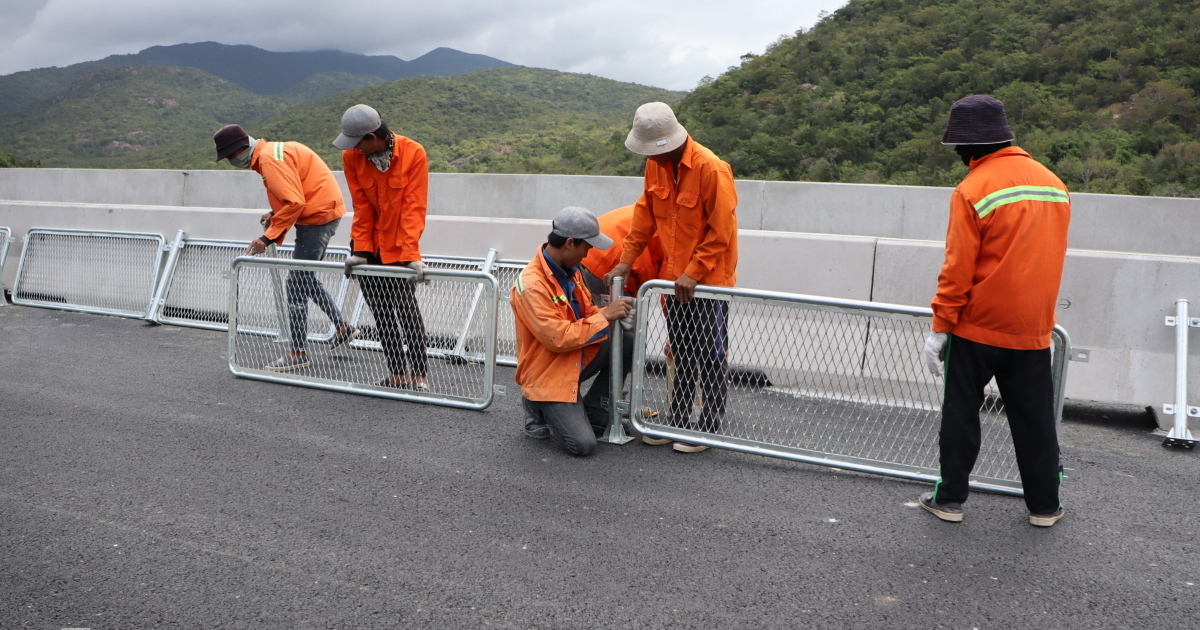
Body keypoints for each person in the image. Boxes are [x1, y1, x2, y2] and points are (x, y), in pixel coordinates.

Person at [918, 95, 1071, 528]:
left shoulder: (973, 189)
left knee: (961, 414)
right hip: (1034, 328)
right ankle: (1045, 507)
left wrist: (942, 325)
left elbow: (957, 267)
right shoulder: (1053, 184)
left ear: (970, 148)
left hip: (977, 327)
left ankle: (949, 500)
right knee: (1035, 421)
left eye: (959, 150)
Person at [605, 102, 739, 454]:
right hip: (672, 281)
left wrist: (693, 273)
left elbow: (721, 231)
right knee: (680, 350)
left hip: (708, 281)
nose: (655, 158)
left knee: (709, 352)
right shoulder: (655, 167)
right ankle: (678, 419)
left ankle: (707, 427)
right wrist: (626, 261)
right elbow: (643, 218)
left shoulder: (710, 168)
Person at [212, 124, 359, 372]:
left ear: (239, 149)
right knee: (304, 277)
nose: (230, 161)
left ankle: (298, 352)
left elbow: (295, 201)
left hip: (317, 217)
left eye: (229, 156)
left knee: (297, 283)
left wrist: (266, 238)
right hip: (320, 211)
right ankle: (343, 327)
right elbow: (296, 190)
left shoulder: (269, 160)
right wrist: (275, 213)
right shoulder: (274, 151)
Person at [511, 206, 635, 457]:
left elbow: (588, 313)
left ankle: (593, 408)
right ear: (569, 243)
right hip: (547, 371)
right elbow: (557, 337)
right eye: (586, 247)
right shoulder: (532, 284)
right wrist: (605, 316)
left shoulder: (573, 271)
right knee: (582, 445)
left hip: (570, 358)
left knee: (626, 342)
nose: (588, 254)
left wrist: (609, 315)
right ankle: (536, 403)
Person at [335, 104, 432, 391]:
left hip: (399, 245)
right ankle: (397, 374)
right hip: (369, 244)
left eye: (358, 143)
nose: (355, 150)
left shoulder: (413, 153)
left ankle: (419, 375)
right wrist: (360, 252)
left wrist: (411, 255)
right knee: (381, 312)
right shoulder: (351, 156)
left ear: (373, 136)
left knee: (406, 310)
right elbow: (361, 206)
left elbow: (414, 208)